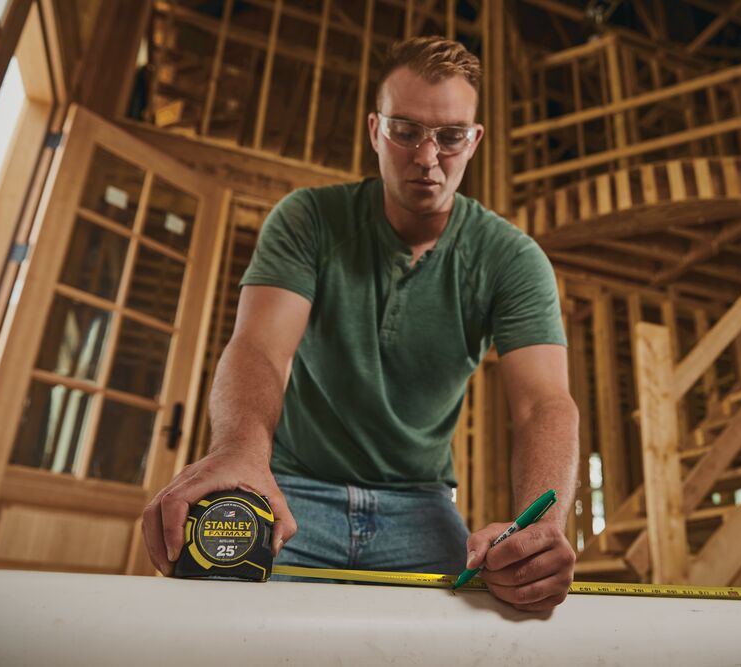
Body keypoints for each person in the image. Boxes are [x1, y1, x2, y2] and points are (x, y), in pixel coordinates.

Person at [143, 36, 579, 612]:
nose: (427, 157)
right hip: (292, 492)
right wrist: (239, 451)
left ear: (472, 142)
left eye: (449, 137)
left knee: (491, 627)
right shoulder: (307, 220)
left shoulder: (512, 258)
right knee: (213, 621)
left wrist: (541, 526)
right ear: (375, 130)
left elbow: (543, 404)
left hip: (420, 502)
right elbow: (259, 348)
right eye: (406, 131)